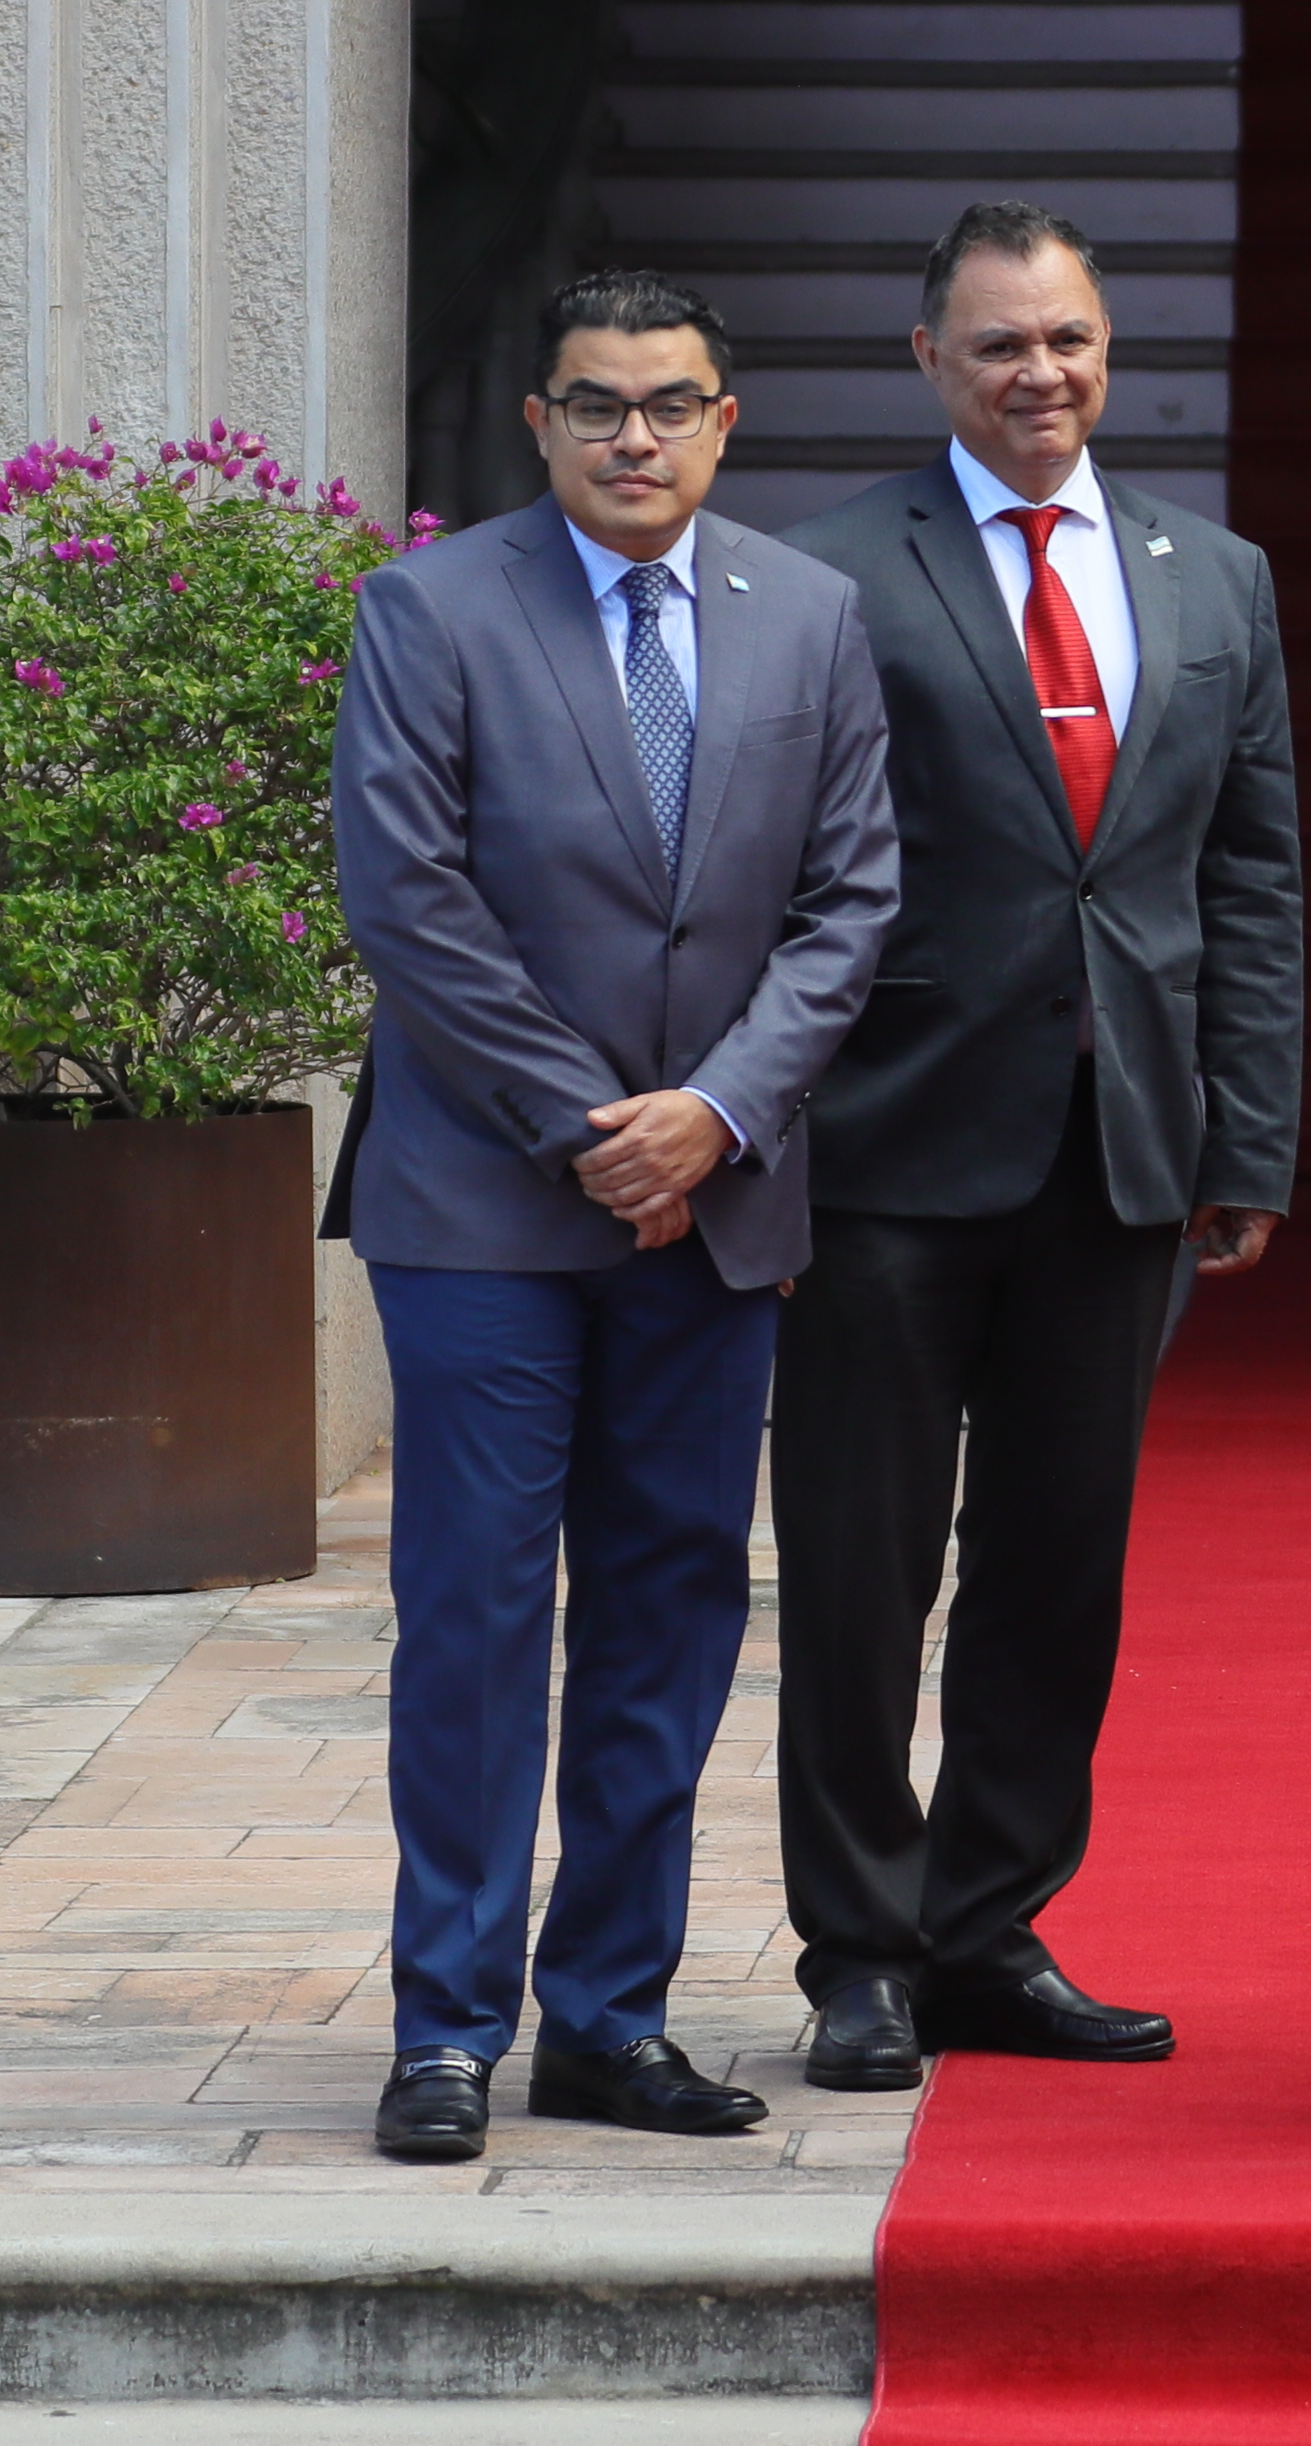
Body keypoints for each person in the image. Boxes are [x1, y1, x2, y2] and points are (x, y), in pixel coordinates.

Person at [330, 267, 903, 2160]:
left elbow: (850, 904)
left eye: (669, 404)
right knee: (475, 1617)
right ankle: (444, 2025)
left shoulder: (809, 615)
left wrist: (715, 1118)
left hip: (714, 1208)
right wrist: (599, 1129)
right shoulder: (430, 608)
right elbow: (407, 898)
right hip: (486, 1206)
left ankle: (607, 2018)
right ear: (541, 422)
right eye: (596, 403)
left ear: (725, 421)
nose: (633, 435)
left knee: (669, 1610)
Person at [773, 201, 1303, 2095]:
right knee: (862, 1575)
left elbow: (1248, 876)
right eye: (999, 343)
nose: (1039, 373)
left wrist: (1248, 1132)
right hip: (882, 1150)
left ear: (1107, 347)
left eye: (1067, 338)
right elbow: (773, 879)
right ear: (930, 358)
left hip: (1121, 1149)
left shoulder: (1215, 576)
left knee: (1058, 1568)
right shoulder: (824, 575)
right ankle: (860, 1950)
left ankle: (987, 1932)